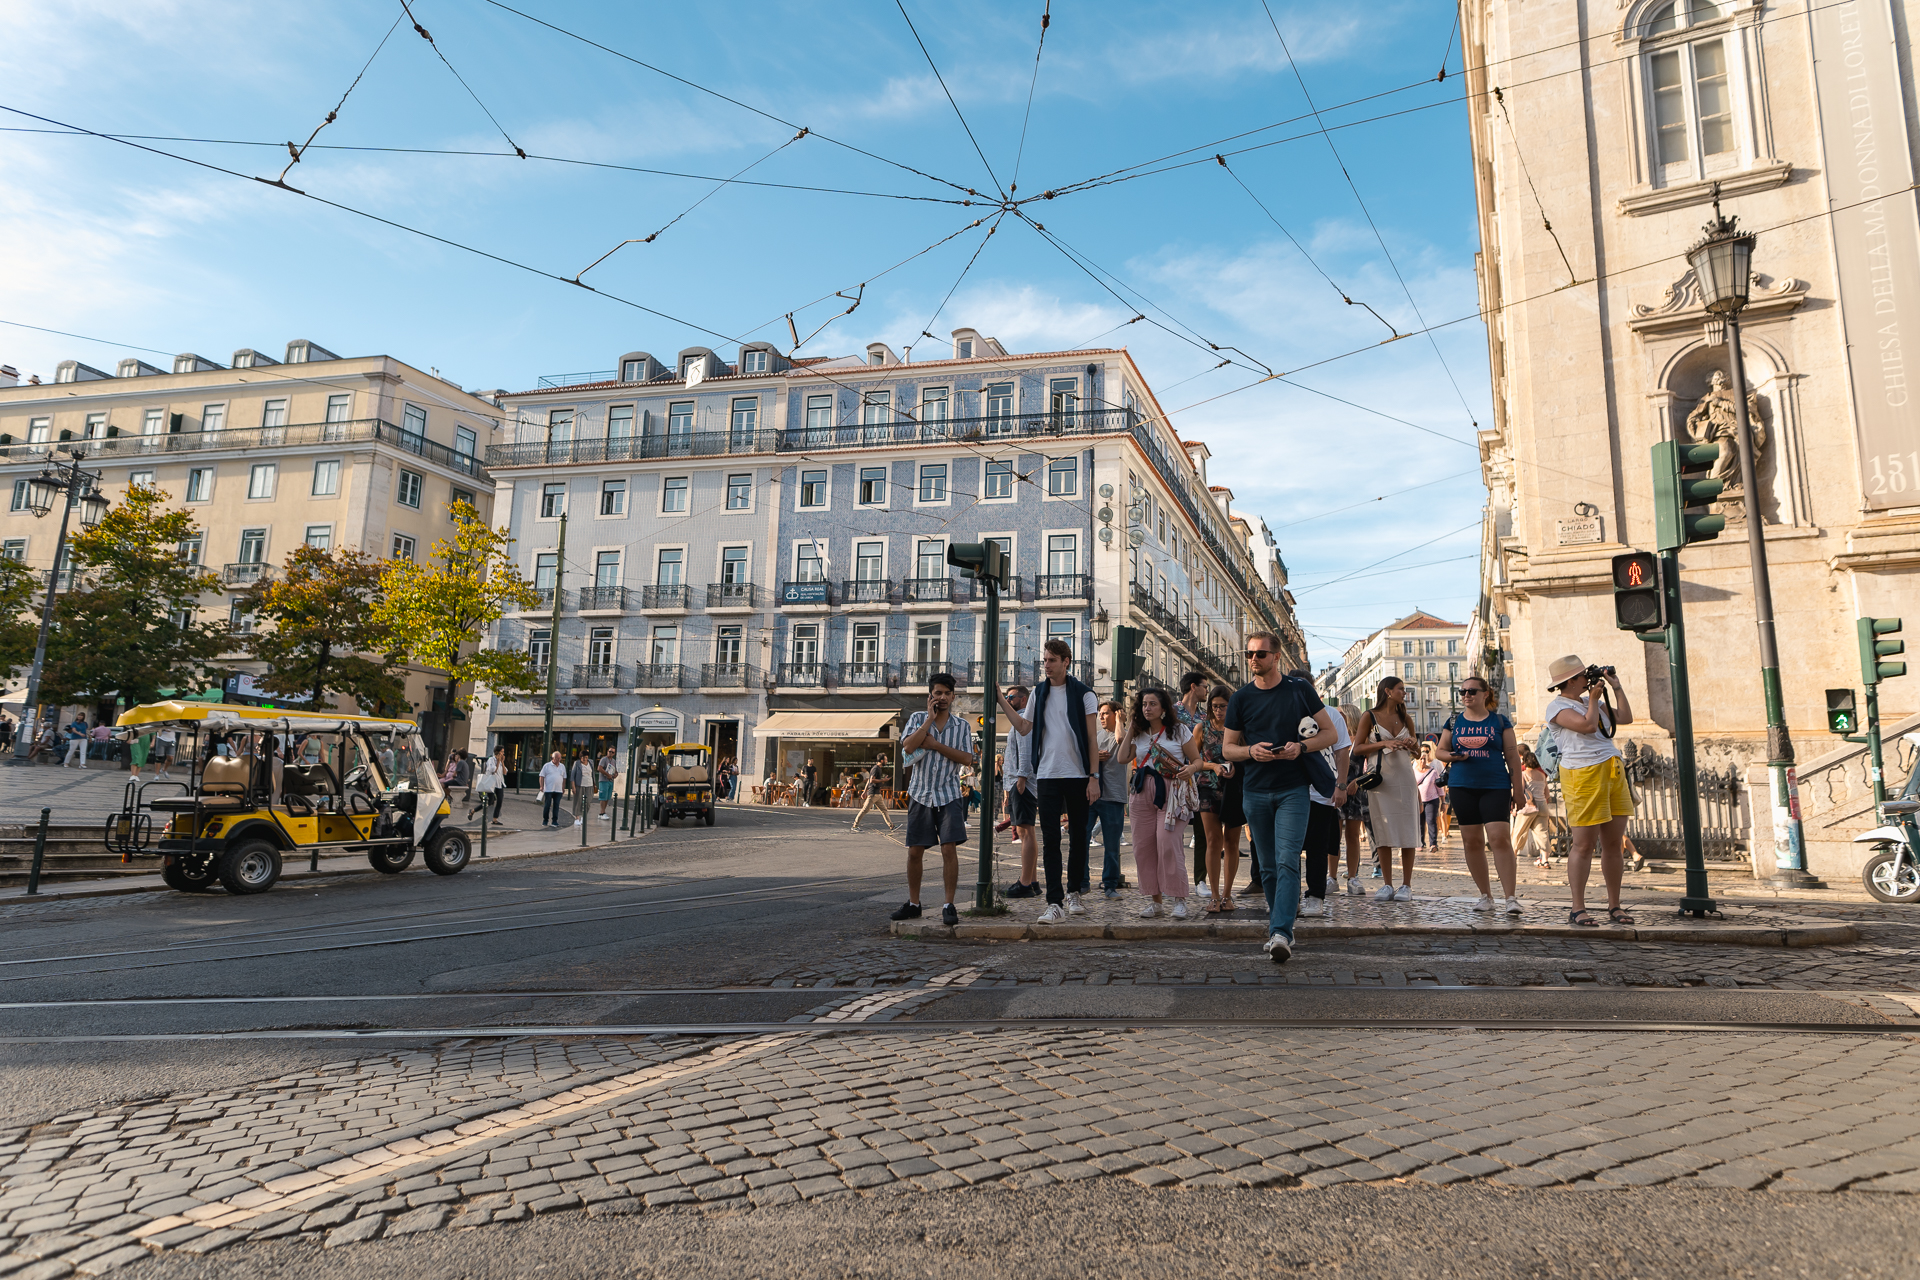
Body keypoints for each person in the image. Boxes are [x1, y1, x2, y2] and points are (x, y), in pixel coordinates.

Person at [1224, 634, 1338, 963]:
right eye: (1249, 653)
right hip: (1255, 790)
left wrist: (1299, 747)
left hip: (1293, 789)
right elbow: (1228, 748)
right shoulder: (1241, 698)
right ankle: (1279, 926)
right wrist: (1250, 751)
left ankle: (1281, 932)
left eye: (1260, 653)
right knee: (1270, 868)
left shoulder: (1299, 690)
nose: (1253, 659)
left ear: (1276, 657)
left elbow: (1329, 733)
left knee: (1288, 859)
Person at [997, 640, 1102, 924]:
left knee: (1079, 837)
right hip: (1046, 776)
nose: (1046, 665)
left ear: (1067, 661)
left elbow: (1092, 739)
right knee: (1051, 841)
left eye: (1052, 660)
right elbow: (1022, 727)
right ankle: (1054, 902)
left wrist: (1094, 777)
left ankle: (1074, 894)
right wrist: (1000, 700)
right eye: (1045, 660)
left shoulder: (1084, 694)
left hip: (1079, 775)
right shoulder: (1039, 692)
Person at [1545, 656, 1638, 927]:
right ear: (1570, 681)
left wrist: (1615, 688)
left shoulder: (1594, 702)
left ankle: (1615, 905)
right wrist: (1594, 698)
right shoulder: (1557, 706)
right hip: (1583, 774)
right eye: (1583, 676)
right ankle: (1578, 907)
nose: (1588, 679)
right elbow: (1586, 726)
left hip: (1612, 769)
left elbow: (1626, 717)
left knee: (1613, 843)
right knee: (1584, 844)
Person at [1435, 674, 1527, 915]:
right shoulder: (1454, 721)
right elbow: (1440, 751)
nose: (1466, 695)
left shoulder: (1500, 721)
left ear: (1485, 694)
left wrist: (1518, 791)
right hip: (1462, 785)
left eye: (1472, 691)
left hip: (1495, 785)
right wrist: (1453, 756)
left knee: (1499, 838)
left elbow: (1513, 757)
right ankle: (1485, 895)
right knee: (1472, 841)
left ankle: (1511, 898)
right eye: (1463, 692)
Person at [891, 672, 975, 927]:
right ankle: (914, 904)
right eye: (937, 693)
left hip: (949, 794)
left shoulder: (962, 726)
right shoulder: (917, 718)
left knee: (948, 849)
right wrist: (928, 720)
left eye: (947, 693)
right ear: (930, 696)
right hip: (920, 793)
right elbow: (907, 746)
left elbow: (967, 759)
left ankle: (948, 904)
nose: (942, 698)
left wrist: (935, 745)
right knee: (916, 851)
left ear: (953, 696)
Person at [1128, 686, 1204, 919]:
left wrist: (1189, 769)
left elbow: (1197, 760)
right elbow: (1122, 757)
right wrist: (1131, 727)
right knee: (1143, 848)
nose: (1147, 708)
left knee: (1168, 843)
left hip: (1172, 792)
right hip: (1141, 792)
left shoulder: (1179, 730)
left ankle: (1179, 899)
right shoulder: (1139, 732)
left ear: (1163, 708)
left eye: (1152, 704)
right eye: (1144, 704)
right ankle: (1156, 901)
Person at [1355, 677, 1420, 901]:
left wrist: (1413, 744)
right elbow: (1357, 748)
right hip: (1381, 781)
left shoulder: (1406, 718)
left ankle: (1407, 885)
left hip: (1405, 779)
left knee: (1408, 830)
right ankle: (1387, 884)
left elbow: (1418, 753)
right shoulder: (1369, 717)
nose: (1404, 693)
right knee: (1383, 831)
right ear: (1388, 691)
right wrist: (1384, 743)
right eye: (1401, 689)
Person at [1295, 669, 1352, 919]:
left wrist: (1340, 786)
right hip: (1292, 789)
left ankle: (1315, 897)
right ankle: (1290, 897)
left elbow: (1342, 751)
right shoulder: (1287, 713)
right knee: (1289, 848)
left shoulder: (1331, 715)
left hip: (1321, 792)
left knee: (1318, 847)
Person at [997, 685, 1041, 899]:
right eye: (1006, 697)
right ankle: (1032, 881)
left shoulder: (1024, 720)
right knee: (1026, 832)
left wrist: (1021, 778)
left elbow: (1025, 751)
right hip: (1017, 781)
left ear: (1023, 700)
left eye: (1011, 697)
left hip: (1022, 782)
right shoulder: (1021, 720)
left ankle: (1025, 883)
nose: (1007, 699)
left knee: (1025, 832)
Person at [1175, 671, 1212, 899]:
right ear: (1193, 687)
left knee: (1202, 834)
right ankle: (1175, 881)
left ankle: (1201, 880)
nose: (1207, 690)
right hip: (1174, 780)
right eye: (1204, 686)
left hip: (1199, 781)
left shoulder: (1204, 717)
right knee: (1173, 834)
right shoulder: (1170, 712)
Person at [1091, 700, 1129, 898]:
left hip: (1113, 796)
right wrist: (1094, 757)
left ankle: (1110, 885)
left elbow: (1122, 740)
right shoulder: (1096, 736)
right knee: (1081, 839)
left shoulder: (1123, 733)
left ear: (1117, 714)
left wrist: (1121, 722)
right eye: (1100, 713)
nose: (1101, 717)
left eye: (1106, 713)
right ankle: (1081, 882)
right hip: (1092, 794)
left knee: (1112, 845)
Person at [1335, 705, 1369, 895]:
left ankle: (1353, 876)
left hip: (1355, 792)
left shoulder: (1361, 741)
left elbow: (1372, 767)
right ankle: (1331, 876)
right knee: (1334, 836)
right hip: (1334, 791)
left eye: (1341, 713)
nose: (1337, 716)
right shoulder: (1334, 738)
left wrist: (1357, 781)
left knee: (1353, 837)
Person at [1511, 744, 1556, 865]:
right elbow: (1547, 794)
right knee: (1542, 833)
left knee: (1519, 832)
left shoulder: (1524, 774)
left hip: (1528, 806)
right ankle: (1545, 860)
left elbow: (1520, 791)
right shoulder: (1542, 775)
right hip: (1542, 805)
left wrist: (1515, 807)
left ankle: (1513, 856)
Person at [1414, 744, 1444, 852]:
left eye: (1424, 759)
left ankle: (1433, 844)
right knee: (1420, 823)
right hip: (1418, 801)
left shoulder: (1433, 771)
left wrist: (1443, 801)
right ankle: (1420, 843)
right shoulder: (1414, 771)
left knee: (1431, 821)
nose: (1423, 761)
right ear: (1417, 761)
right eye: (1421, 759)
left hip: (1432, 800)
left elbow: (1439, 787)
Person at [851, 765, 895, 832]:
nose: (886, 761)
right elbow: (871, 780)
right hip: (873, 794)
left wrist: (864, 791)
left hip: (878, 795)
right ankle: (855, 826)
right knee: (865, 809)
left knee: (884, 810)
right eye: (885, 759)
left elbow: (868, 781)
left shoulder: (876, 769)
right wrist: (883, 780)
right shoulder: (876, 769)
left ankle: (891, 826)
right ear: (882, 760)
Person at [538, 750, 567, 828]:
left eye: (559, 758)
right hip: (548, 789)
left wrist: (563, 788)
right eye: (557, 758)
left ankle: (554, 821)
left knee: (556, 805)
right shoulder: (547, 766)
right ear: (552, 758)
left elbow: (564, 778)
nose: (558, 760)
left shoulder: (562, 766)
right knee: (547, 805)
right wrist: (541, 786)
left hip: (558, 790)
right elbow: (541, 776)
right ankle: (545, 820)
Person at [571, 751, 594, 826]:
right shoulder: (577, 763)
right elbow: (572, 776)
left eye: (586, 757)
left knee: (588, 802)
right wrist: (573, 787)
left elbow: (592, 773)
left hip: (590, 785)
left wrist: (594, 784)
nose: (584, 759)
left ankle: (584, 817)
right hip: (579, 785)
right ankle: (577, 818)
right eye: (582, 757)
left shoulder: (591, 762)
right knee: (578, 801)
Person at [596, 746, 619, 819]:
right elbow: (599, 768)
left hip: (610, 781)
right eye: (610, 751)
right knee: (603, 796)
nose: (611, 753)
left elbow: (615, 770)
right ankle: (602, 812)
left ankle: (603, 811)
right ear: (607, 751)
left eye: (612, 752)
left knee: (607, 797)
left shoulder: (613, 761)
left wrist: (615, 774)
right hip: (603, 780)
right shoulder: (603, 759)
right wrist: (607, 775)